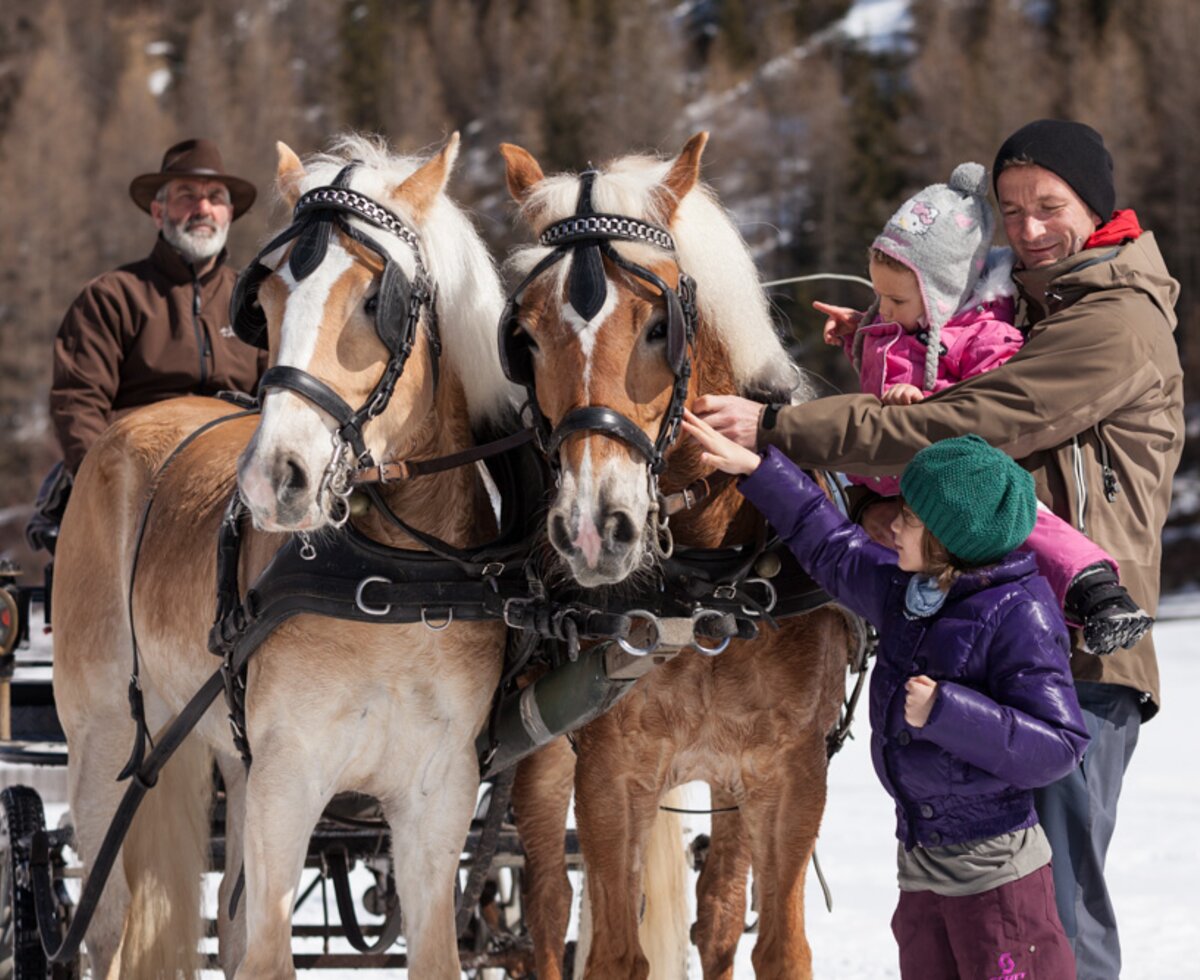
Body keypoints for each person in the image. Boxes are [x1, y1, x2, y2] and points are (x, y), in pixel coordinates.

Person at [697, 119, 1184, 978]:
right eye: (1012, 209)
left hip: (1073, 654)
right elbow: (954, 354)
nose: (1029, 227)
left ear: (1098, 208)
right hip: (986, 635)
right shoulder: (1037, 307)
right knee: (980, 923)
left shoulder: (1116, 323)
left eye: (1051, 206)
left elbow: (969, 420)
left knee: (1054, 922)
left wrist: (784, 427)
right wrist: (886, 331)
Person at [685, 415, 1089, 980]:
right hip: (920, 859)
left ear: (950, 541)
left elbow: (1060, 745)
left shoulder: (1020, 613)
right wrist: (758, 469)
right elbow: (828, 542)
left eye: (909, 517)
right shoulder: (909, 590)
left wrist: (948, 712)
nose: (892, 526)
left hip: (997, 873)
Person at [819, 160, 1150, 656]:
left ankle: (1094, 590)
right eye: (877, 295)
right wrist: (855, 336)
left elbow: (989, 396)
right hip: (898, 484)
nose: (882, 309)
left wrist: (925, 404)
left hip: (958, 474)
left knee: (1023, 521)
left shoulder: (983, 334)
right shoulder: (895, 329)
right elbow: (883, 375)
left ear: (943, 293)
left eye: (896, 299)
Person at [30, 139, 265, 553]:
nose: (202, 208)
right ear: (159, 212)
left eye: (215, 198)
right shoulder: (111, 297)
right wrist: (107, 486)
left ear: (229, 214)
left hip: (240, 483)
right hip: (137, 482)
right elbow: (78, 405)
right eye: (186, 196)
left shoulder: (255, 302)